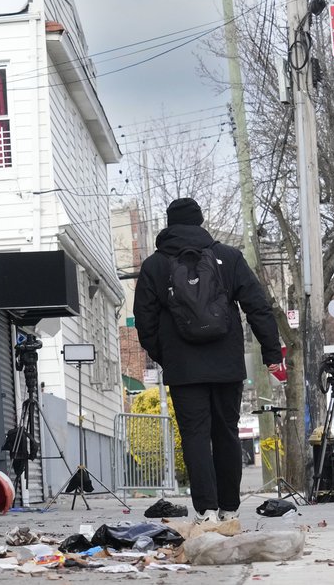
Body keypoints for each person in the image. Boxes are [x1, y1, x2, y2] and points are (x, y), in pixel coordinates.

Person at [133, 197, 285, 523]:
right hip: (227, 364)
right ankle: (230, 509)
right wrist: (272, 352)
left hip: (184, 368)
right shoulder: (228, 257)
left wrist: (165, 356)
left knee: (195, 435)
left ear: (170, 224)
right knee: (226, 433)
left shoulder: (154, 266)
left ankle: (206, 511)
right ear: (200, 221)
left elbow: (143, 322)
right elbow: (257, 307)